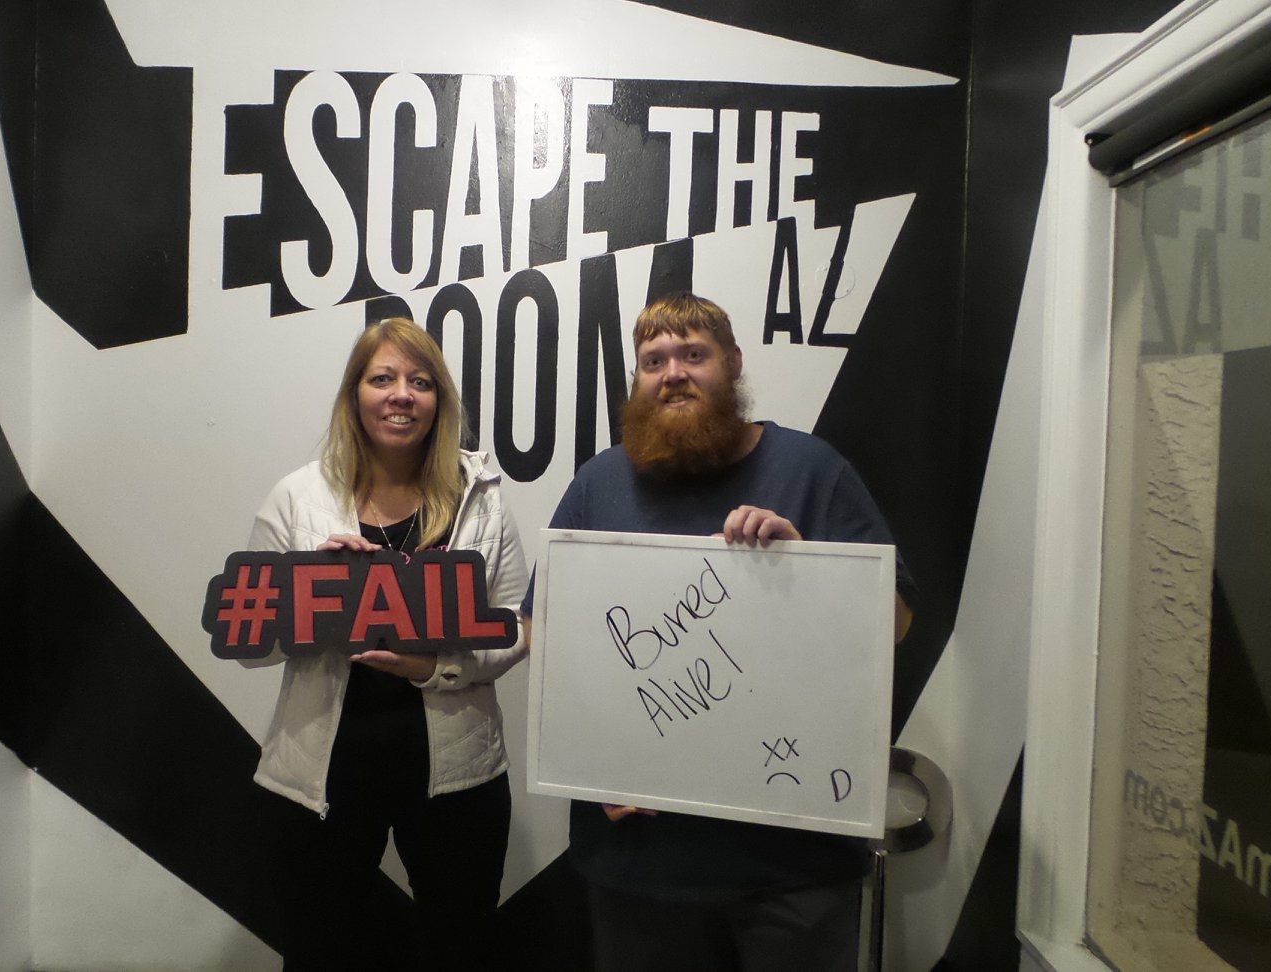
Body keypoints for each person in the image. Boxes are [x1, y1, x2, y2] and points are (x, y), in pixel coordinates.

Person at [526, 292, 915, 971]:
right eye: (653, 360)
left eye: (693, 354)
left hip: (793, 870)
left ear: (732, 364)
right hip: (638, 868)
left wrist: (809, 568)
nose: (672, 373)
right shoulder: (599, 482)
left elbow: (899, 623)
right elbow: (545, 632)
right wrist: (591, 760)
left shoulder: (811, 469)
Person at [242, 318, 527, 971]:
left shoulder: (481, 497)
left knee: (461, 952)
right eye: (383, 378)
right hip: (318, 779)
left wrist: (432, 666)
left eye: (420, 382)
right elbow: (252, 644)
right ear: (355, 394)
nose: (402, 394)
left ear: (439, 401)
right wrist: (309, 590)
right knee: (318, 954)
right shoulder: (298, 497)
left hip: (458, 778)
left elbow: (515, 628)